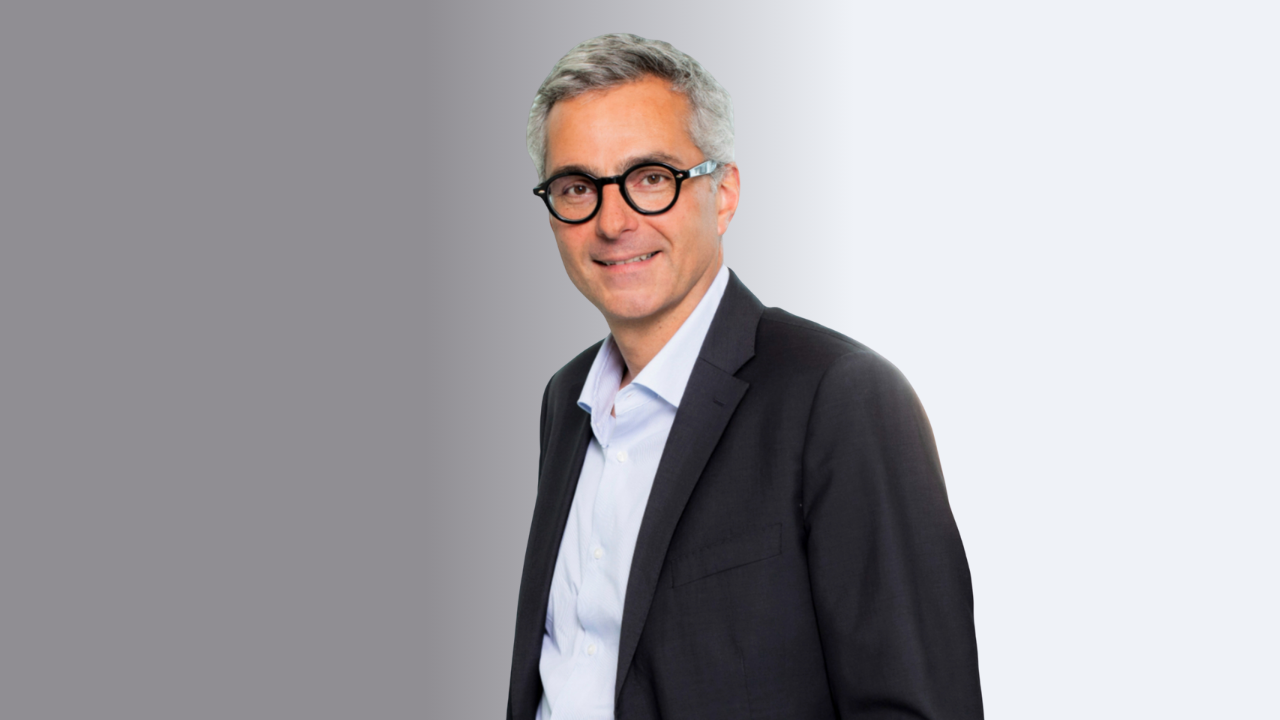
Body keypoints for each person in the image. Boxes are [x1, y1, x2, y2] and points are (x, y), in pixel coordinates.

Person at [507, 34, 983, 720]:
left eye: (650, 178)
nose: (612, 221)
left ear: (723, 194)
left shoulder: (841, 398)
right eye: (578, 187)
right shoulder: (566, 400)